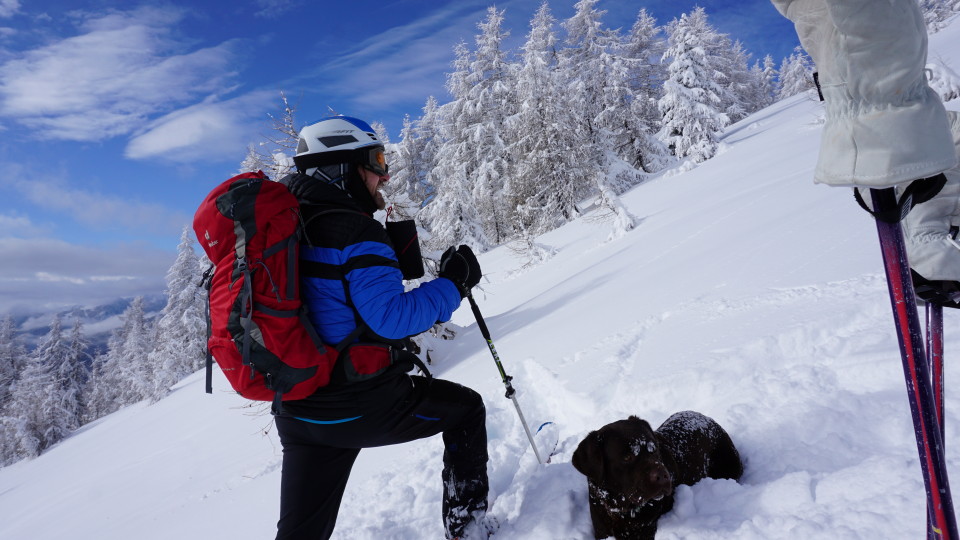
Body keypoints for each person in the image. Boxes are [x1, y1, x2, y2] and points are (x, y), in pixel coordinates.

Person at [274, 115, 490, 540]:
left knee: (300, 532)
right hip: (359, 404)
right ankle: (470, 528)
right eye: (374, 161)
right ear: (340, 166)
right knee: (467, 410)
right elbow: (392, 319)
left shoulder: (286, 224)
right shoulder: (353, 229)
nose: (382, 174)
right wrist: (454, 285)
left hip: (297, 408)